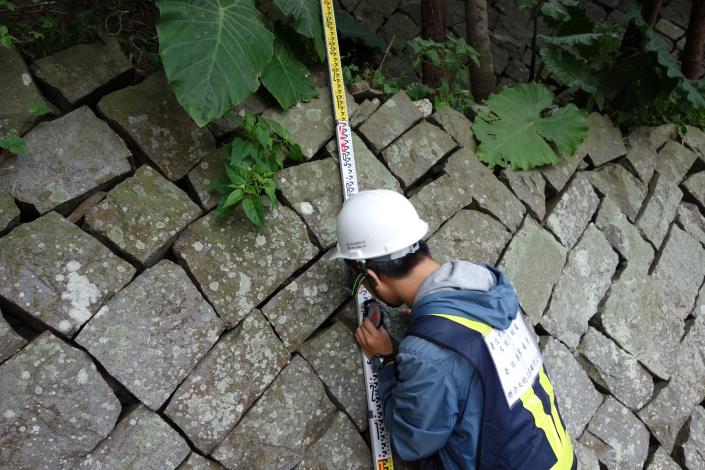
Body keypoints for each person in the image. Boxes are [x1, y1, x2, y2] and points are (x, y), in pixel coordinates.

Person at [332, 189, 575, 470]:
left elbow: (410, 442)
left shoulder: (427, 353)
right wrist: (433, 322)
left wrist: (385, 361)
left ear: (373, 277)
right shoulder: (485, 283)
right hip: (559, 456)